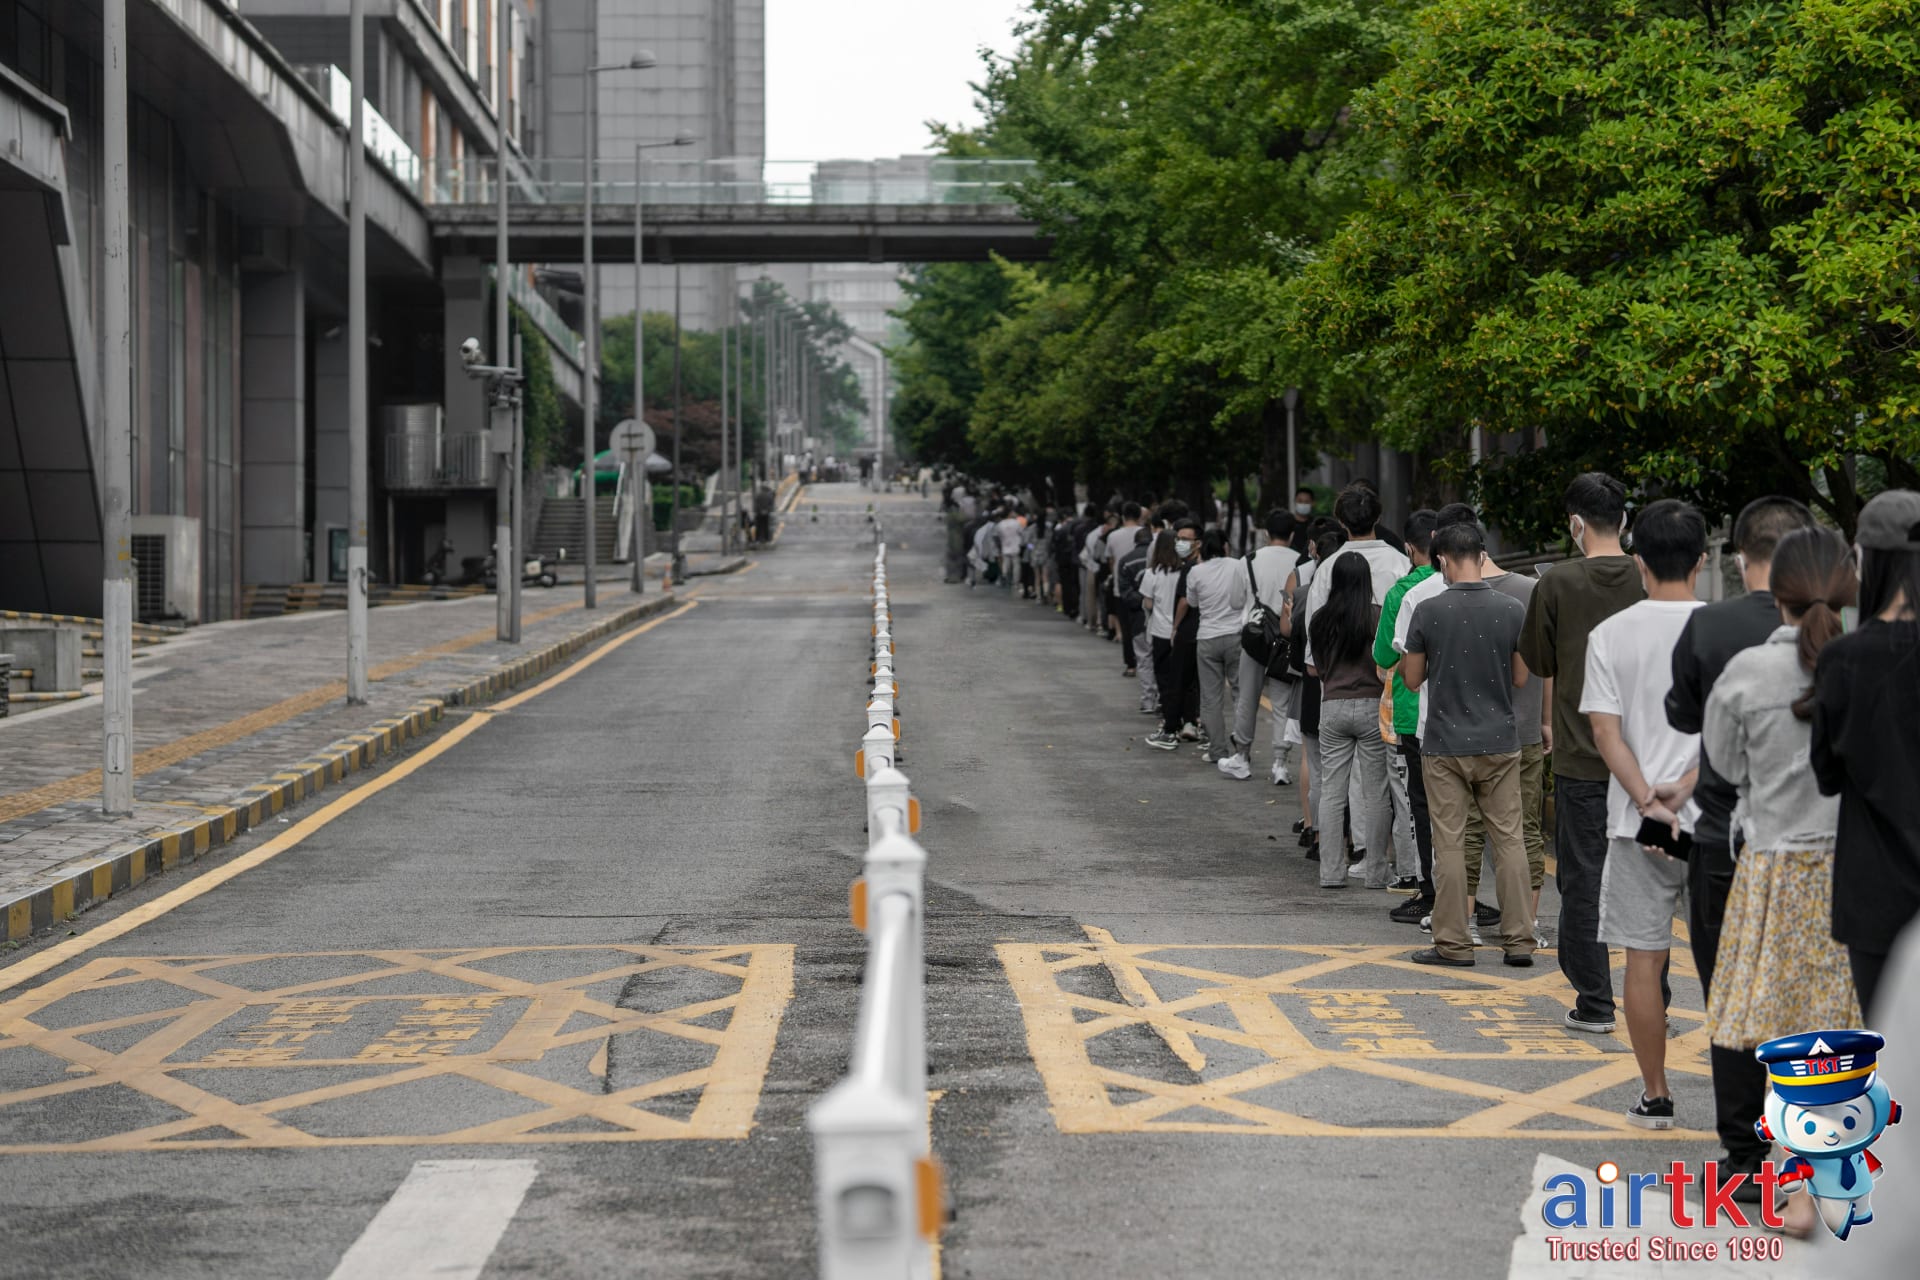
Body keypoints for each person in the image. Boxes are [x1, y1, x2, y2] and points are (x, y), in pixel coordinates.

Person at [1699, 526, 1863, 1235]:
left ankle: (1796, 1191)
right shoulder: (1871, 665)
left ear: (1773, 591)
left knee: (1785, 1041)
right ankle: (1830, 1183)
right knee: (1841, 1035)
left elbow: (1726, 769)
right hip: (1855, 866)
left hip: (1772, 868)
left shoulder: (1743, 674)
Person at [1662, 495, 1816, 1193]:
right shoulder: (1838, 635)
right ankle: (1815, 1145)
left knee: (1731, 991)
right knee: (1811, 994)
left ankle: (1746, 1154)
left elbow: (1687, 716)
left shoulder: (1710, 626)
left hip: (1727, 836)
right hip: (1822, 841)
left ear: (1739, 557)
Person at [1582, 497, 1709, 1129]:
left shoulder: (1610, 635)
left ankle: (1655, 1095)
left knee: (1642, 958)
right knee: (1729, 959)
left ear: (1639, 562)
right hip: (1713, 820)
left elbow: (1606, 734)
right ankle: (1756, 1100)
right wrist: (1683, 790)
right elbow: (1728, 730)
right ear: (1704, 559)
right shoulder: (1725, 629)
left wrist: (1646, 802)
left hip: (1637, 826)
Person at [1519, 472, 1646, 1036]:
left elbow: (1538, 663)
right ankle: (1654, 1000)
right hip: (1648, 763)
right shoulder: (1648, 577)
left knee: (1584, 878)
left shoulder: (1558, 583)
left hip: (1580, 757)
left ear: (1575, 524)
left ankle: (1595, 1002)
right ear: (1624, 519)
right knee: (1646, 879)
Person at [1399, 518, 1533, 963]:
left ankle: (1454, 942)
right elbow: (1519, 677)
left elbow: (1413, 679)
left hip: (1444, 745)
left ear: (1442, 561)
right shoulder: (1512, 609)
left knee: (1450, 844)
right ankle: (1519, 941)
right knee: (1510, 841)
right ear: (1481, 556)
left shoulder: (1429, 610)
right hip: (1500, 742)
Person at [1811, 488, 1920, 1018]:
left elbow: (1827, 776)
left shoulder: (1843, 659)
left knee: (1890, 1053)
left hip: (1874, 887)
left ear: (1867, 561)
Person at [1305, 554, 1391, 887]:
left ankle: (1330, 872)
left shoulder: (1320, 620)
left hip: (1333, 706)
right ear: (1366, 580)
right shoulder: (1377, 617)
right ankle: (1376, 870)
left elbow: (1317, 669)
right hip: (1372, 706)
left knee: (1332, 791)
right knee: (1376, 793)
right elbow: (1386, 661)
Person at [1374, 509, 1439, 903]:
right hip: (1464, 715)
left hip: (1412, 713)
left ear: (1411, 548)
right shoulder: (1471, 585)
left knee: (1420, 804)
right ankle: (1466, 896)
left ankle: (1429, 891)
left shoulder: (1402, 593)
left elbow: (1383, 656)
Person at [1220, 510, 1302, 783]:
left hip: (1255, 638)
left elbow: (1234, 601)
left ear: (1266, 533)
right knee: (1282, 702)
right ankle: (1280, 763)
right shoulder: (1301, 561)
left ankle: (1242, 757)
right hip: (1287, 640)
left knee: (1247, 698)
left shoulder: (1249, 560)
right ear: (1292, 534)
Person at [1177, 528, 1251, 766]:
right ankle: (1242, 749)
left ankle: (1217, 750)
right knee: (1240, 693)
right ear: (1225, 546)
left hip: (1207, 638)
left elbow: (1192, 602)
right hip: (1235, 636)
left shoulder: (1195, 571)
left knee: (1210, 699)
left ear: (1202, 548)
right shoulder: (1238, 565)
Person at [1142, 529, 1194, 749]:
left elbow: (1147, 603)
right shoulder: (1186, 571)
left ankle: (1169, 723)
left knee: (1165, 680)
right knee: (1184, 679)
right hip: (1182, 632)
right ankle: (1188, 721)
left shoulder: (1152, 573)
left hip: (1160, 632)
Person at [1117, 518, 1158, 714]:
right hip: (1161, 621)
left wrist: (1142, 599)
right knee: (1161, 661)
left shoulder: (1125, 561)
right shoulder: (1163, 562)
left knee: (1144, 661)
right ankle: (1162, 700)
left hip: (1137, 620)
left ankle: (1148, 700)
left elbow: (1124, 593)